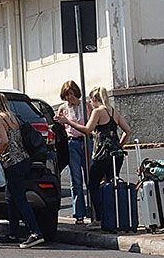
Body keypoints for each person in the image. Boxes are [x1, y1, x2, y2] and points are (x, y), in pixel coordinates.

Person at [56, 87, 132, 223]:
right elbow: (128, 131)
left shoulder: (98, 112)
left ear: (96, 99)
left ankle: (100, 217)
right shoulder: (113, 111)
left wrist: (68, 122)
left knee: (93, 184)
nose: (90, 102)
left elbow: (87, 129)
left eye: (91, 100)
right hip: (116, 154)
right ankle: (114, 216)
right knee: (111, 182)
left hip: (102, 153)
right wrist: (119, 146)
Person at [0, 92, 44, 248]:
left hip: (13, 163)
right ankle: (13, 233)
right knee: (10, 197)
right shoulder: (13, 117)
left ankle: (35, 232)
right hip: (24, 160)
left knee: (19, 198)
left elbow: (4, 141)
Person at [55, 81, 88, 224]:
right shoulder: (63, 108)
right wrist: (59, 122)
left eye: (72, 95)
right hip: (72, 143)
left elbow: (89, 124)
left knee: (90, 177)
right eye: (67, 96)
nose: (70, 99)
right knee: (76, 180)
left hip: (86, 142)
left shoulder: (85, 106)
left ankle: (95, 211)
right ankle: (79, 214)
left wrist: (67, 121)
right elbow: (59, 126)